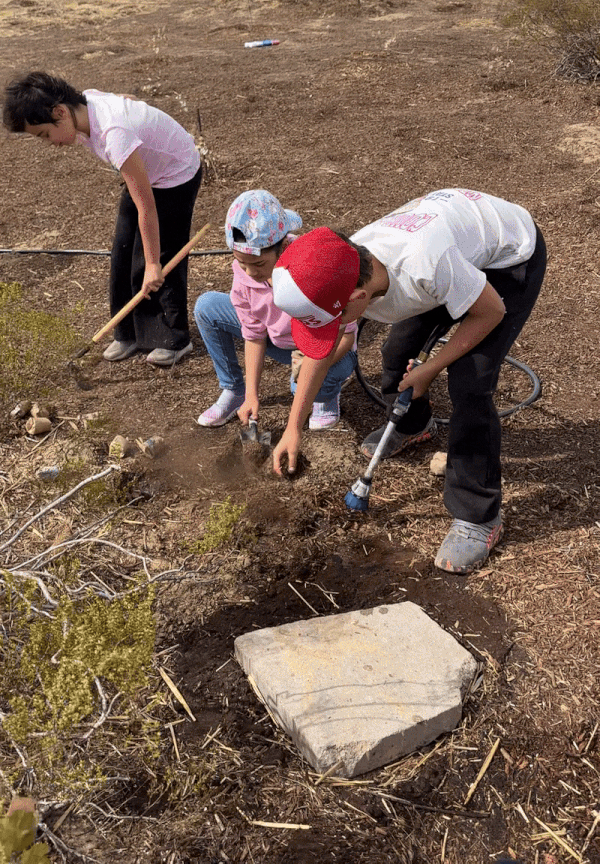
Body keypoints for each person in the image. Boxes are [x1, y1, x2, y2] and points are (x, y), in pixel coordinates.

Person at [271, 188, 546, 574]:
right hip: (454, 251)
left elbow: (489, 312)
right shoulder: (348, 263)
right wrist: (292, 428)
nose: (334, 330)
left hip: (510, 257)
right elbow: (321, 350)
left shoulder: (423, 265)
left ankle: (479, 517)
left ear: (357, 298)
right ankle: (416, 425)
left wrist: (430, 368)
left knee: (469, 382)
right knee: (397, 352)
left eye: (337, 319)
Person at [3, 71, 202, 365]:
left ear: (60, 112)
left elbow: (147, 206)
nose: (48, 143)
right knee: (123, 251)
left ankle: (173, 338)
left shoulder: (114, 133)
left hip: (175, 174)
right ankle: (129, 333)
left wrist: (151, 264)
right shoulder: (86, 104)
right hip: (144, 172)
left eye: (45, 134)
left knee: (162, 256)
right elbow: (126, 99)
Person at [194, 190, 357, 429]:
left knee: (304, 385)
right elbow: (253, 336)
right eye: (242, 263)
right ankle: (234, 390)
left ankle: (328, 395)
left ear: (281, 247)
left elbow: (347, 333)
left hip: (327, 346)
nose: (250, 273)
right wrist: (252, 395)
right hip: (280, 341)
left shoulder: (309, 268)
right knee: (207, 307)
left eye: (259, 264)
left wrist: (313, 368)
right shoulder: (245, 276)